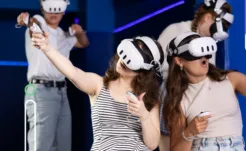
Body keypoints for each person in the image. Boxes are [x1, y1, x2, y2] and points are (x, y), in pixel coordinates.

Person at [30, 27, 163, 150]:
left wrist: (144, 115)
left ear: (143, 71)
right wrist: (47, 48)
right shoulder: (99, 85)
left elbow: (152, 144)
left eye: (132, 61)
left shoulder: (149, 98)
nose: (123, 61)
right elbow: (72, 72)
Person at [162, 32, 246, 151]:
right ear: (179, 61)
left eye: (206, 52)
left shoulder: (231, 79)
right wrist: (189, 133)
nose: (204, 58)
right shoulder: (178, 100)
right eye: (196, 53)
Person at [157, 1, 234, 150]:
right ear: (208, 18)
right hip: (172, 94)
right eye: (221, 25)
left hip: (196, 98)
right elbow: (157, 64)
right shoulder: (176, 30)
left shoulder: (210, 44)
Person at [17, 0, 89, 151]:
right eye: (50, 9)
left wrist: (79, 31)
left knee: (63, 145)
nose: (54, 13)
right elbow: (33, 25)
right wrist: (28, 21)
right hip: (41, 90)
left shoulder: (63, 35)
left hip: (62, 91)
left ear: (63, 11)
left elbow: (83, 43)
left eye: (58, 10)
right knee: (41, 145)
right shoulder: (39, 22)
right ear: (43, 9)